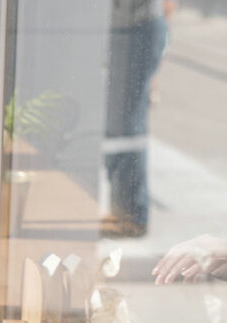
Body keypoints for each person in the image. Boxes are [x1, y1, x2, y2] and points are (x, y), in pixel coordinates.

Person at [101, 0, 169, 238]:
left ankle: (131, 214)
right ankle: (124, 210)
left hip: (135, 29)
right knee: (119, 126)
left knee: (125, 128)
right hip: (126, 28)